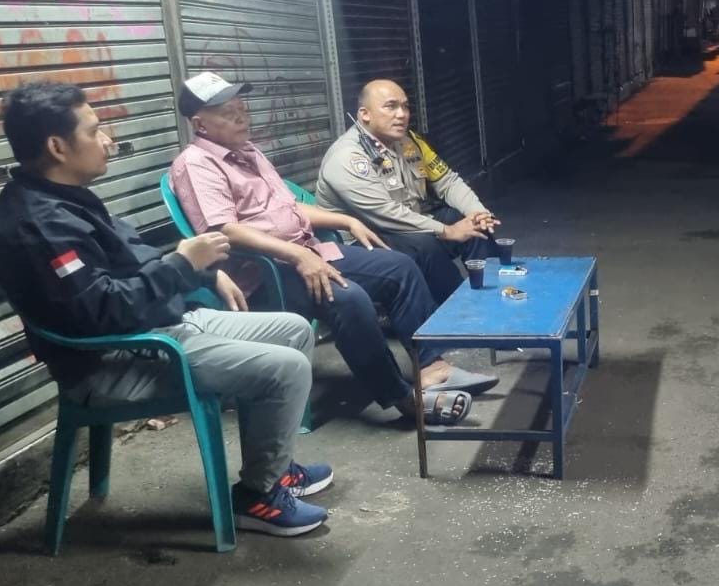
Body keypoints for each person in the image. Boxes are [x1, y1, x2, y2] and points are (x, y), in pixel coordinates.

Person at [0, 81, 332, 537]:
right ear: (57, 147)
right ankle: (257, 497)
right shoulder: (37, 224)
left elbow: (133, 261)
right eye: (95, 130)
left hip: (154, 324)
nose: (109, 140)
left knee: (293, 329)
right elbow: (101, 310)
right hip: (115, 357)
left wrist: (203, 273)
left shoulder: (63, 196)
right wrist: (184, 265)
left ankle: (274, 467)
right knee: (285, 368)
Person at [167, 72, 496, 427]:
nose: (240, 116)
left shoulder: (249, 152)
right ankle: (400, 397)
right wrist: (297, 255)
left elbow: (290, 207)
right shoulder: (196, 164)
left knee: (399, 267)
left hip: (307, 249)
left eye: (241, 107)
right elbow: (224, 230)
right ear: (199, 124)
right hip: (266, 272)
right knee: (349, 298)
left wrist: (345, 221)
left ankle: (432, 368)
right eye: (227, 112)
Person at [315, 79, 500, 303]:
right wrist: (447, 231)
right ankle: (457, 310)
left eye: (405, 107)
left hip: (407, 225)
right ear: (365, 114)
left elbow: (447, 181)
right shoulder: (348, 157)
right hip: (364, 241)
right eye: (391, 106)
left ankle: (494, 296)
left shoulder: (410, 141)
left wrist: (478, 212)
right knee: (425, 245)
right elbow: (385, 213)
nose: (402, 114)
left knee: (473, 224)